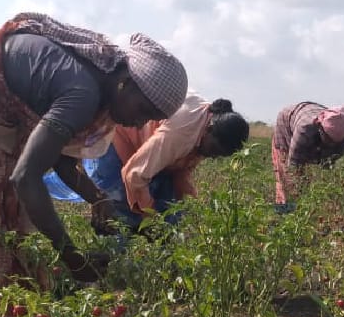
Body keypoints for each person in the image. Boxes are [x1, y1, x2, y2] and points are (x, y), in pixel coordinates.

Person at [0, 12, 188, 285]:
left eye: (150, 118)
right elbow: (25, 177)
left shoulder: (100, 82)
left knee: (4, 222)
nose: (140, 122)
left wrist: (98, 199)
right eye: (142, 110)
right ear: (125, 83)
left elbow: (59, 155)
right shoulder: (82, 93)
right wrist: (72, 257)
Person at [89, 92, 249, 233]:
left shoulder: (207, 130)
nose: (213, 156)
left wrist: (191, 207)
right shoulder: (182, 132)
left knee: (172, 211)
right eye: (214, 150)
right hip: (121, 138)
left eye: (219, 155)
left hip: (150, 150)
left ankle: (149, 247)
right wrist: (152, 218)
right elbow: (134, 174)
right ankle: (113, 256)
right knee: (116, 210)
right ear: (210, 129)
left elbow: (181, 172)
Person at [272, 102, 344, 211]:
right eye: (328, 139)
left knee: (313, 180)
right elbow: (293, 165)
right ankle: (284, 214)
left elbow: (328, 165)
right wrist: (297, 184)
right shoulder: (304, 129)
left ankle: (309, 211)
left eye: (334, 142)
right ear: (320, 128)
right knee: (287, 178)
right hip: (286, 125)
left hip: (309, 127)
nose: (330, 144)